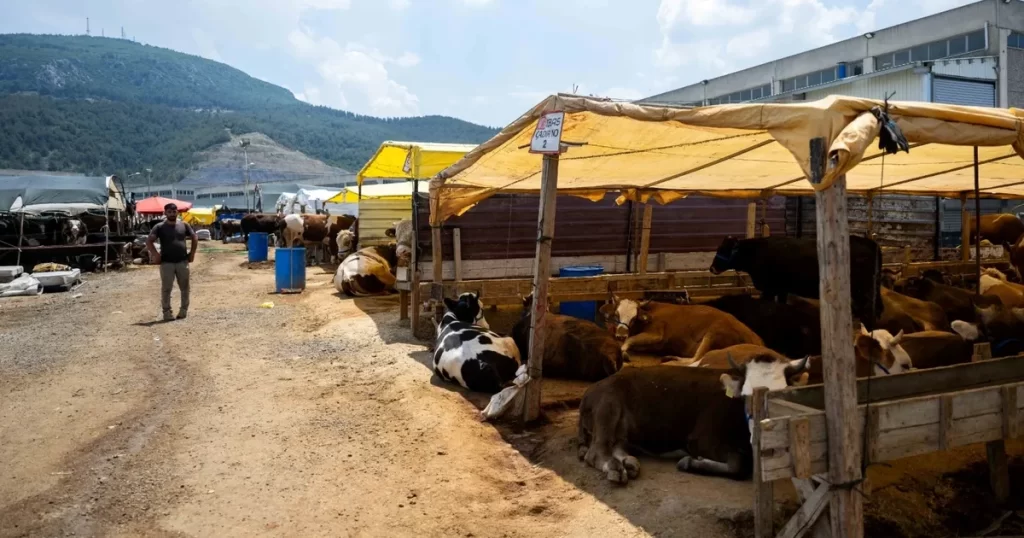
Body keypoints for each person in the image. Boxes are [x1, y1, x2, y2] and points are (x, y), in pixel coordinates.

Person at [146, 203, 198, 321]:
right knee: (166, 289)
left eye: (174, 212)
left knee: (185, 287)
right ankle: (167, 312)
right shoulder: (159, 227)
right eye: (169, 212)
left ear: (177, 212)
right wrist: (156, 255)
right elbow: (149, 241)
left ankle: (183, 311)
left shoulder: (184, 225)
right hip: (166, 263)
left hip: (182, 261)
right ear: (165, 213)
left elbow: (194, 237)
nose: (172, 214)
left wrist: (192, 253)